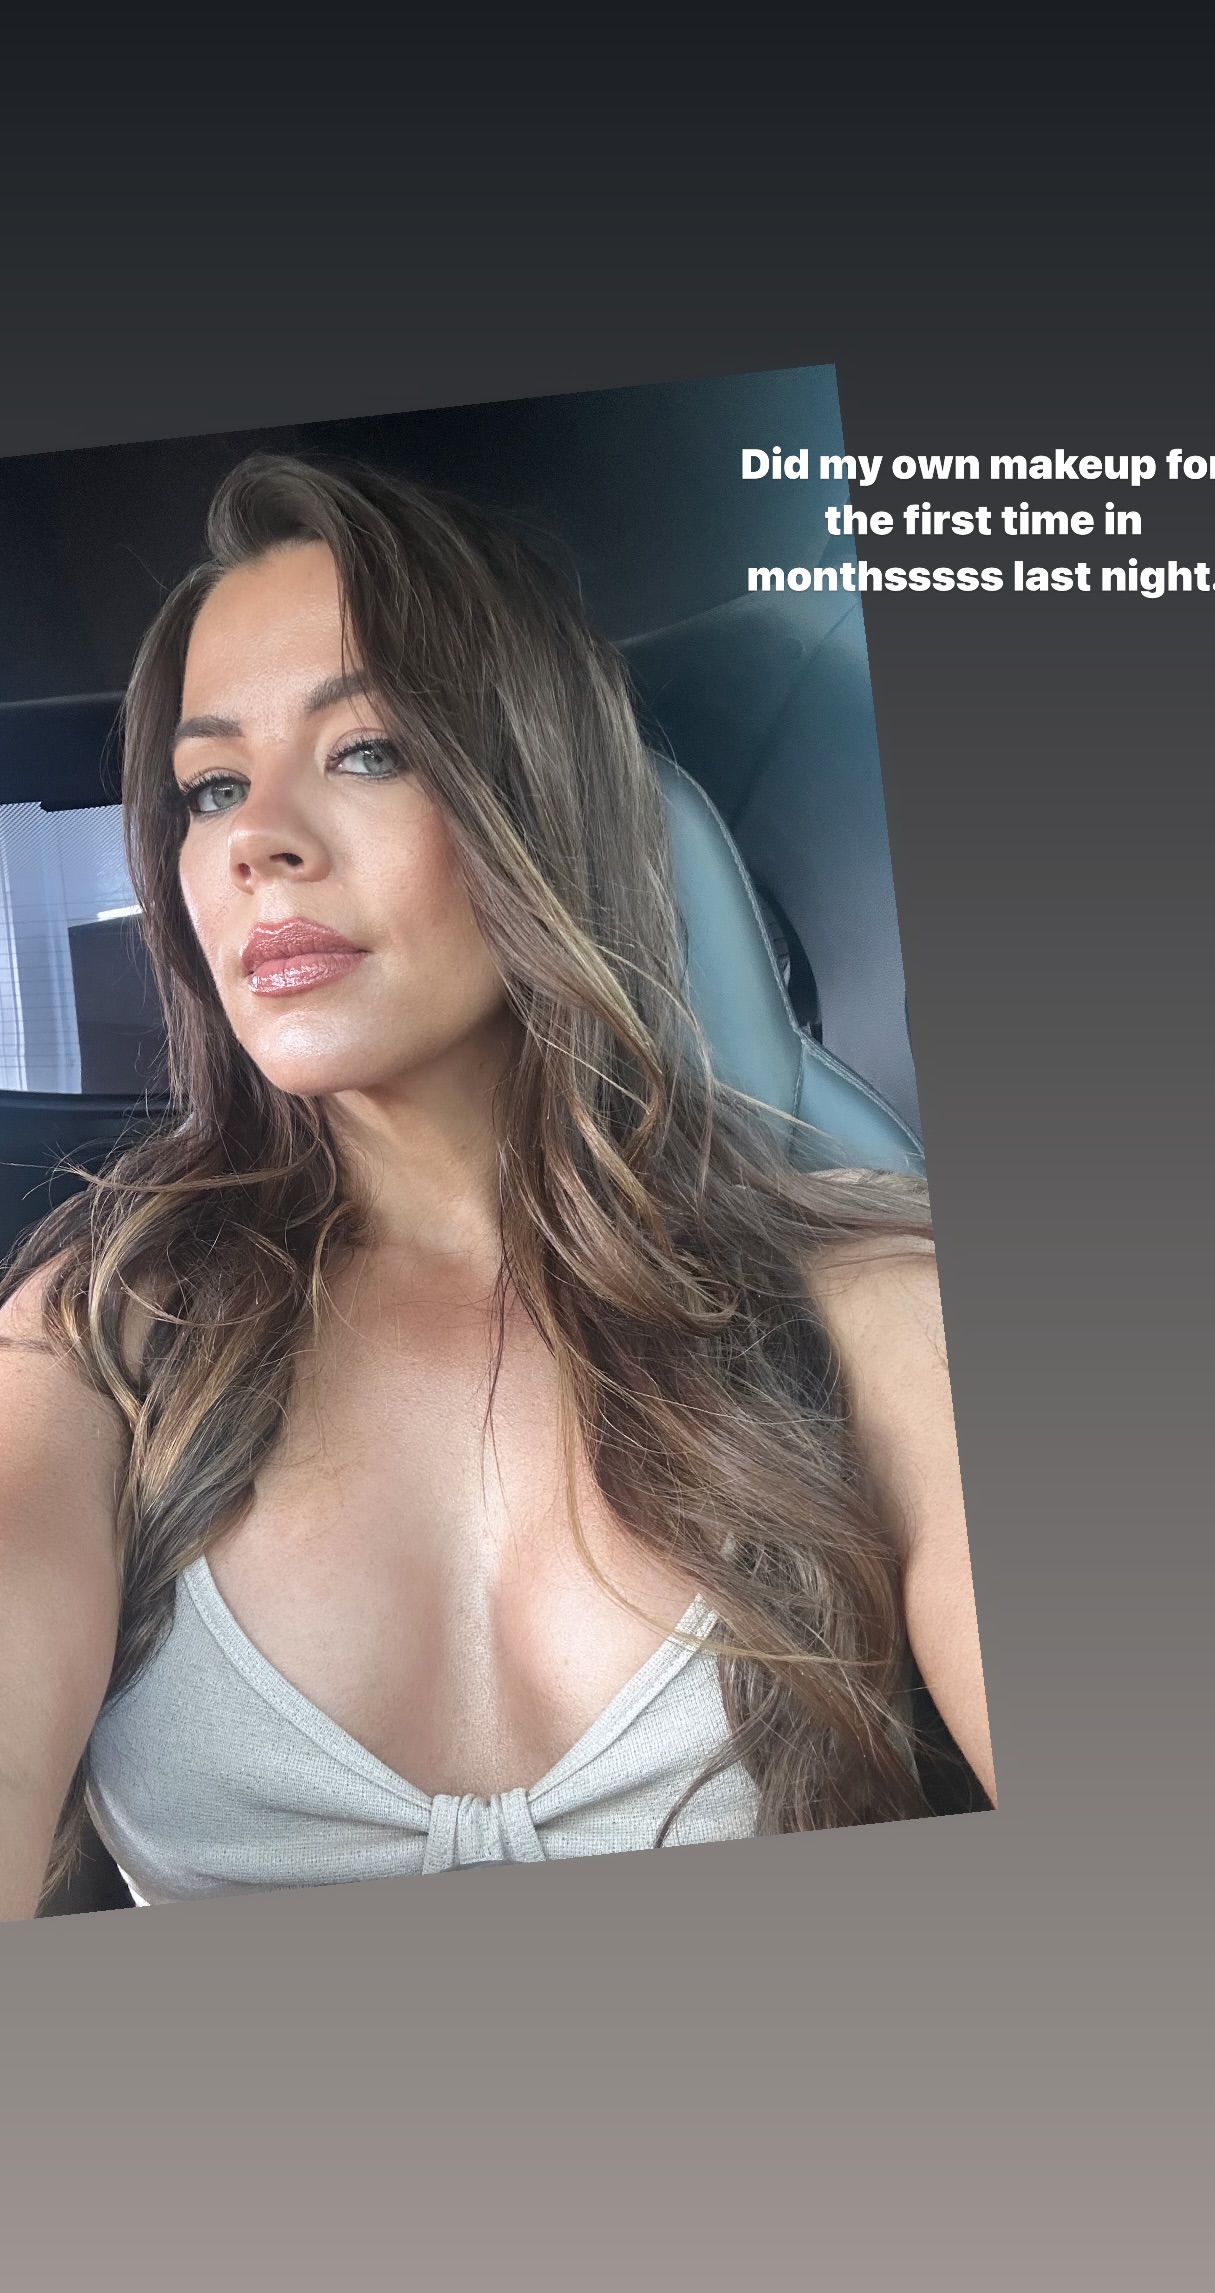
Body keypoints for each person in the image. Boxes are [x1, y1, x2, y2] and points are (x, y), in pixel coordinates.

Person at [0, 455, 994, 1918]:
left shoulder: (882, 1314)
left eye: (368, 751)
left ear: (538, 795)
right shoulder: (92, 1339)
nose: (256, 839)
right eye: (211, 787)